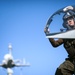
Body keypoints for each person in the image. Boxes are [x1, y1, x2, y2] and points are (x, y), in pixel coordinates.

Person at [44, 6, 75, 75]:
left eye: (70, 18)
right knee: (61, 71)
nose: (69, 20)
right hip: (73, 61)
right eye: (67, 19)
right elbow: (55, 44)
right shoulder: (66, 35)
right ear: (65, 23)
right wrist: (48, 34)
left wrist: (73, 9)